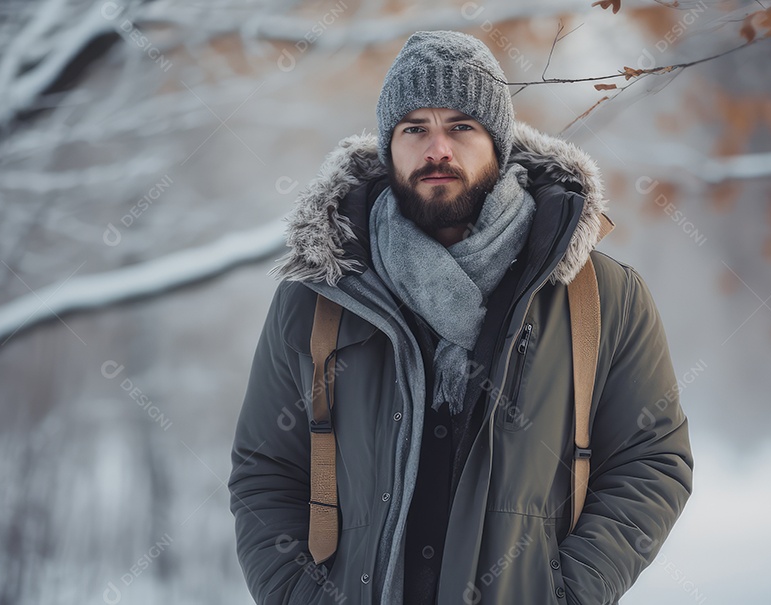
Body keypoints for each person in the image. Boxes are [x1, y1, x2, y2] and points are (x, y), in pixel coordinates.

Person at [228, 30, 693, 605]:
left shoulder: (599, 296)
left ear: (498, 142)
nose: (437, 149)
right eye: (414, 128)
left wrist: (567, 592)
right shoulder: (319, 296)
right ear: (388, 145)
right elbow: (265, 470)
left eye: (461, 126)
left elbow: (651, 461)